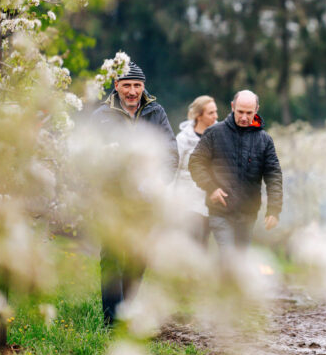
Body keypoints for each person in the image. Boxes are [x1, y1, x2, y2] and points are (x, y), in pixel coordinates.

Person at [91, 61, 178, 325]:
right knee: (112, 257)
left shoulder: (156, 112)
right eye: (126, 85)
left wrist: (157, 183)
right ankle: (112, 321)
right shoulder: (101, 117)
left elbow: (171, 153)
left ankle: (128, 310)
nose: (132, 91)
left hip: (145, 199)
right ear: (116, 86)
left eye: (137, 85)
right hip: (112, 198)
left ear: (143, 86)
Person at [188, 90, 283, 251]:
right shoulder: (214, 133)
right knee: (228, 257)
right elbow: (195, 163)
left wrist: (274, 210)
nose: (244, 117)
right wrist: (211, 188)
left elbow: (274, 176)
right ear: (233, 107)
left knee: (240, 261)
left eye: (249, 113)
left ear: (257, 110)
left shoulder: (264, 140)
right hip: (220, 211)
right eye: (240, 112)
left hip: (248, 213)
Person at [175, 96, 218, 245]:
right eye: (211, 113)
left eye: (215, 112)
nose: (216, 116)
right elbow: (173, 169)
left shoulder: (220, 137)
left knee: (203, 242)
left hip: (210, 199)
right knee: (190, 241)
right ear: (199, 116)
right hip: (188, 201)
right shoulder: (183, 139)